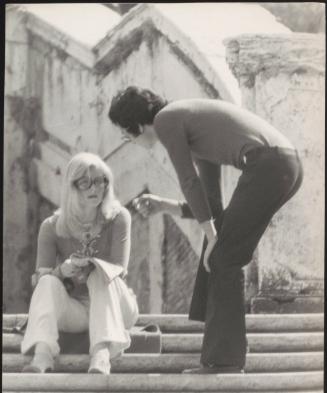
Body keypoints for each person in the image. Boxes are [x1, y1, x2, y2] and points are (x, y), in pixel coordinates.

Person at [108, 86, 303, 374]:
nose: (128, 140)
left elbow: (188, 180)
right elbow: (211, 203)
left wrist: (213, 238)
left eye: (126, 134)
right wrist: (167, 206)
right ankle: (228, 342)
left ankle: (223, 360)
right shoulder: (192, 123)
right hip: (285, 165)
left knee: (222, 256)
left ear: (137, 125)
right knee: (221, 245)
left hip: (269, 166)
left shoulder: (166, 120)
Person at [21, 152, 138, 375]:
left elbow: (119, 270)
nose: (95, 189)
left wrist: (92, 265)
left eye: (100, 181)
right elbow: (39, 280)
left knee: (100, 273)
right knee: (47, 282)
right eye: (85, 183)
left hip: (116, 306)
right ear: (71, 187)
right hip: (76, 312)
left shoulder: (119, 217)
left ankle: (102, 354)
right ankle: (42, 355)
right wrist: (61, 271)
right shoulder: (51, 226)